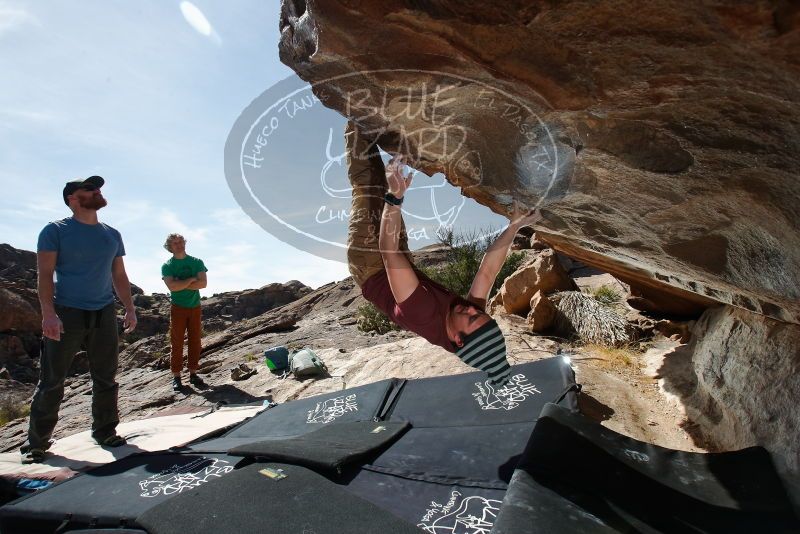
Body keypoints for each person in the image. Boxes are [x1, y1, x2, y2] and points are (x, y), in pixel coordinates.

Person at [345, 122, 541, 387]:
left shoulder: (422, 313)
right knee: (383, 190)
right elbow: (488, 271)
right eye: (480, 313)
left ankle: (354, 120)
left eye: (472, 317)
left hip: (371, 264)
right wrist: (514, 226)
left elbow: (387, 251)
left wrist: (395, 197)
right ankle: (367, 130)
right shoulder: (469, 318)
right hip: (399, 264)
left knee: (369, 187)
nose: (471, 309)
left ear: (457, 339)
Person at [22, 175, 137, 464]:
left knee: (106, 377)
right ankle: (36, 444)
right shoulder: (55, 231)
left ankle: (105, 431)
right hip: (67, 313)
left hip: (104, 312)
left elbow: (119, 274)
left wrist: (129, 307)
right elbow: (45, 275)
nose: (97, 191)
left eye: (97, 188)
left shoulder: (112, 234)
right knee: (52, 380)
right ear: (72, 198)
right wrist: (49, 314)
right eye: (89, 189)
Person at [161, 234, 207, 392]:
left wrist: (180, 283)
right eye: (175, 243)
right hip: (178, 307)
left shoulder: (197, 262)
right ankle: (176, 376)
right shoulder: (167, 266)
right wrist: (191, 279)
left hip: (195, 306)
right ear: (170, 247)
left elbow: (203, 284)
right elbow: (172, 287)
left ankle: (193, 373)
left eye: (181, 241)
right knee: (177, 342)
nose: (179, 244)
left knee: (195, 341)